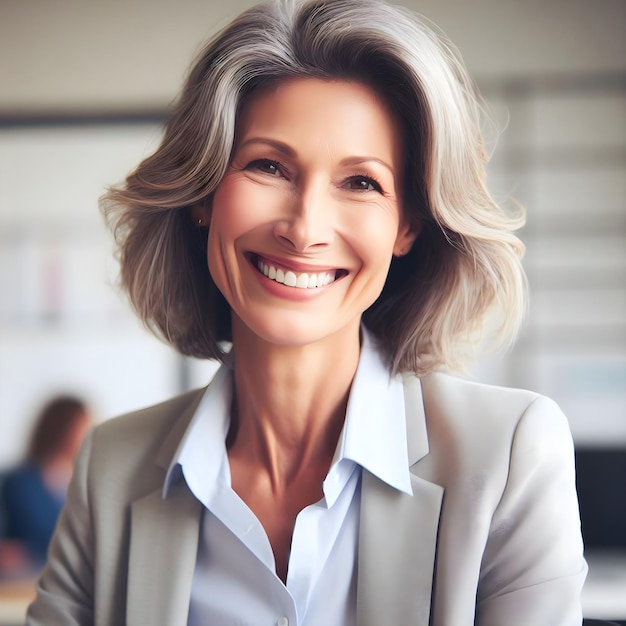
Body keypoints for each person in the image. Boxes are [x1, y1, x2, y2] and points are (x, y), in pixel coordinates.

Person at [27, 0, 587, 624]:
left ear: (408, 226)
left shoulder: (510, 454)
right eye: (268, 166)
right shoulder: (111, 465)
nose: (304, 229)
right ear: (203, 193)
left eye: (361, 182)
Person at [0, 396, 91, 578]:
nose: (88, 435)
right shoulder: (19, 482)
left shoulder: (89, 484)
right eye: (83, 428)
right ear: (62, 429)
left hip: (74, 580)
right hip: (24, 579)